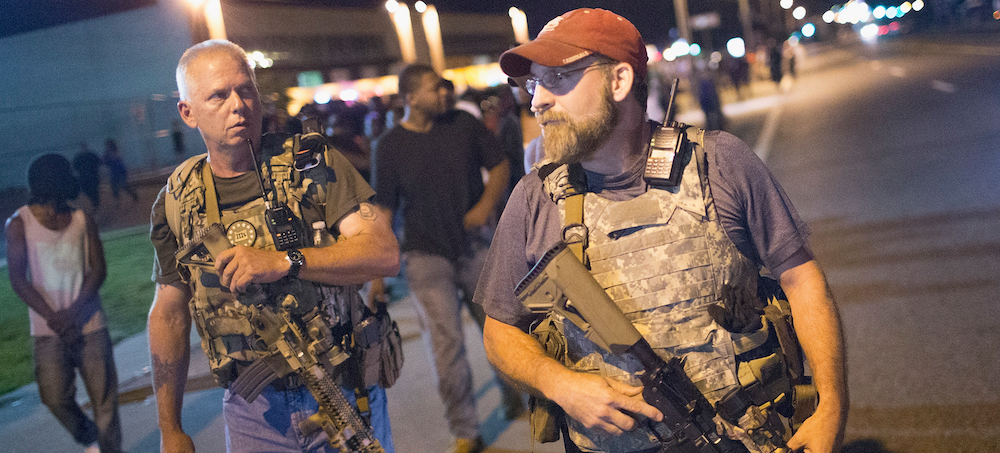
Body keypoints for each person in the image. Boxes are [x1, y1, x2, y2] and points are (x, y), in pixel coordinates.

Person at [475, 8, 848, 453]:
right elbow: (500, 330)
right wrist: (560, 385)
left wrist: (831, 406)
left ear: (619, 81)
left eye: (557, 78)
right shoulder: (534, 197)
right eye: (534, 84)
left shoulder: (720, 163)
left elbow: (801, 279)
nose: (537, 101)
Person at [147, 39, 401, 453]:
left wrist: (284, 261)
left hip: (340, 391)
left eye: (245, 89)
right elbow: (169, 316)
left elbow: (384, 252)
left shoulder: (310, 162)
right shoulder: (178, 199)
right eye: (219, 95)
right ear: (187, 112)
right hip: (254, 412)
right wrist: (169, 428)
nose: (239, 105)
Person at [371, 64, 515, 453]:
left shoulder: (463, 126)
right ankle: (466, 430)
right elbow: (384, 209)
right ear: (410, 97)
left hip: (473, 245)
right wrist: (377, 276)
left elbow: (499, 165)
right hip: (424, 255)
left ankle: (515, 390)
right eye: (437, 88)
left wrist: (485, 206)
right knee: (446, 345)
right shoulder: (389, 145)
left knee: (502, 328)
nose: (446, 93)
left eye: (446, 87)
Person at [6, 153, 122, 453]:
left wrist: (71, 313)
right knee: (54, 397)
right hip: (48, 332)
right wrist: (55, 318)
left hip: (91, 325)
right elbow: (19, 280)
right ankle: (88, 437)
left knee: (105, 403)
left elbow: (98, 270)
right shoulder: (19, 223)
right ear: (55, 180)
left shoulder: (82, 219)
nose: (73, 179)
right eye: (67, 174)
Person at [102, 138, 138, 203]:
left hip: (119, 171)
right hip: (115, 171)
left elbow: (112, 161)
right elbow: (105, 161)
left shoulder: (114, 151)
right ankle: (118, 200)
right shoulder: (109, 152)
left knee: (123, 185)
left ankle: (133, 195)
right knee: (114, 186)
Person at [73, 143, 102, 211]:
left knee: (92, 190)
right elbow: (99, 162)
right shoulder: (80, 156)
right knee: (89, 190)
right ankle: (95, 202)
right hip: (87, 176)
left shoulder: (89, 155)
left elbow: (98, 162)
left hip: (90, 176)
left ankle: (95, 203)